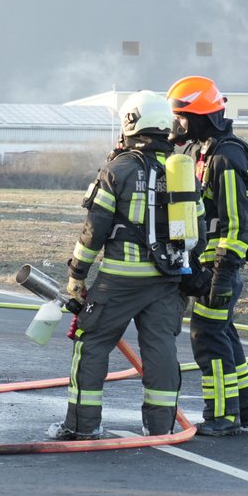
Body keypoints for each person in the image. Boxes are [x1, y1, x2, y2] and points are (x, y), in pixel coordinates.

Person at [49, 91, 200, 441]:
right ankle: (160, 429)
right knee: (160, 351)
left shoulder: (118, 168)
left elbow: (95, 229)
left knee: (91, 344)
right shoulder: (182, 170)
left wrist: (76, 275)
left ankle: (81, 426)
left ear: (130, 122)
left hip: (120, 280)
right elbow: (199, 230)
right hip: (168, 281)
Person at [167, 75, 248, 436]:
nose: (178, 122)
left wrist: (222, 274)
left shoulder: (226, 156)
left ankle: (221, 416)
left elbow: (236, 224)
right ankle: (247, 410)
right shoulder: (202, 149)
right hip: (206, 263)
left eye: (183, 116)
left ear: (203, 116)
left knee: (207, 337)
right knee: (223, 333)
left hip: (219, 266)